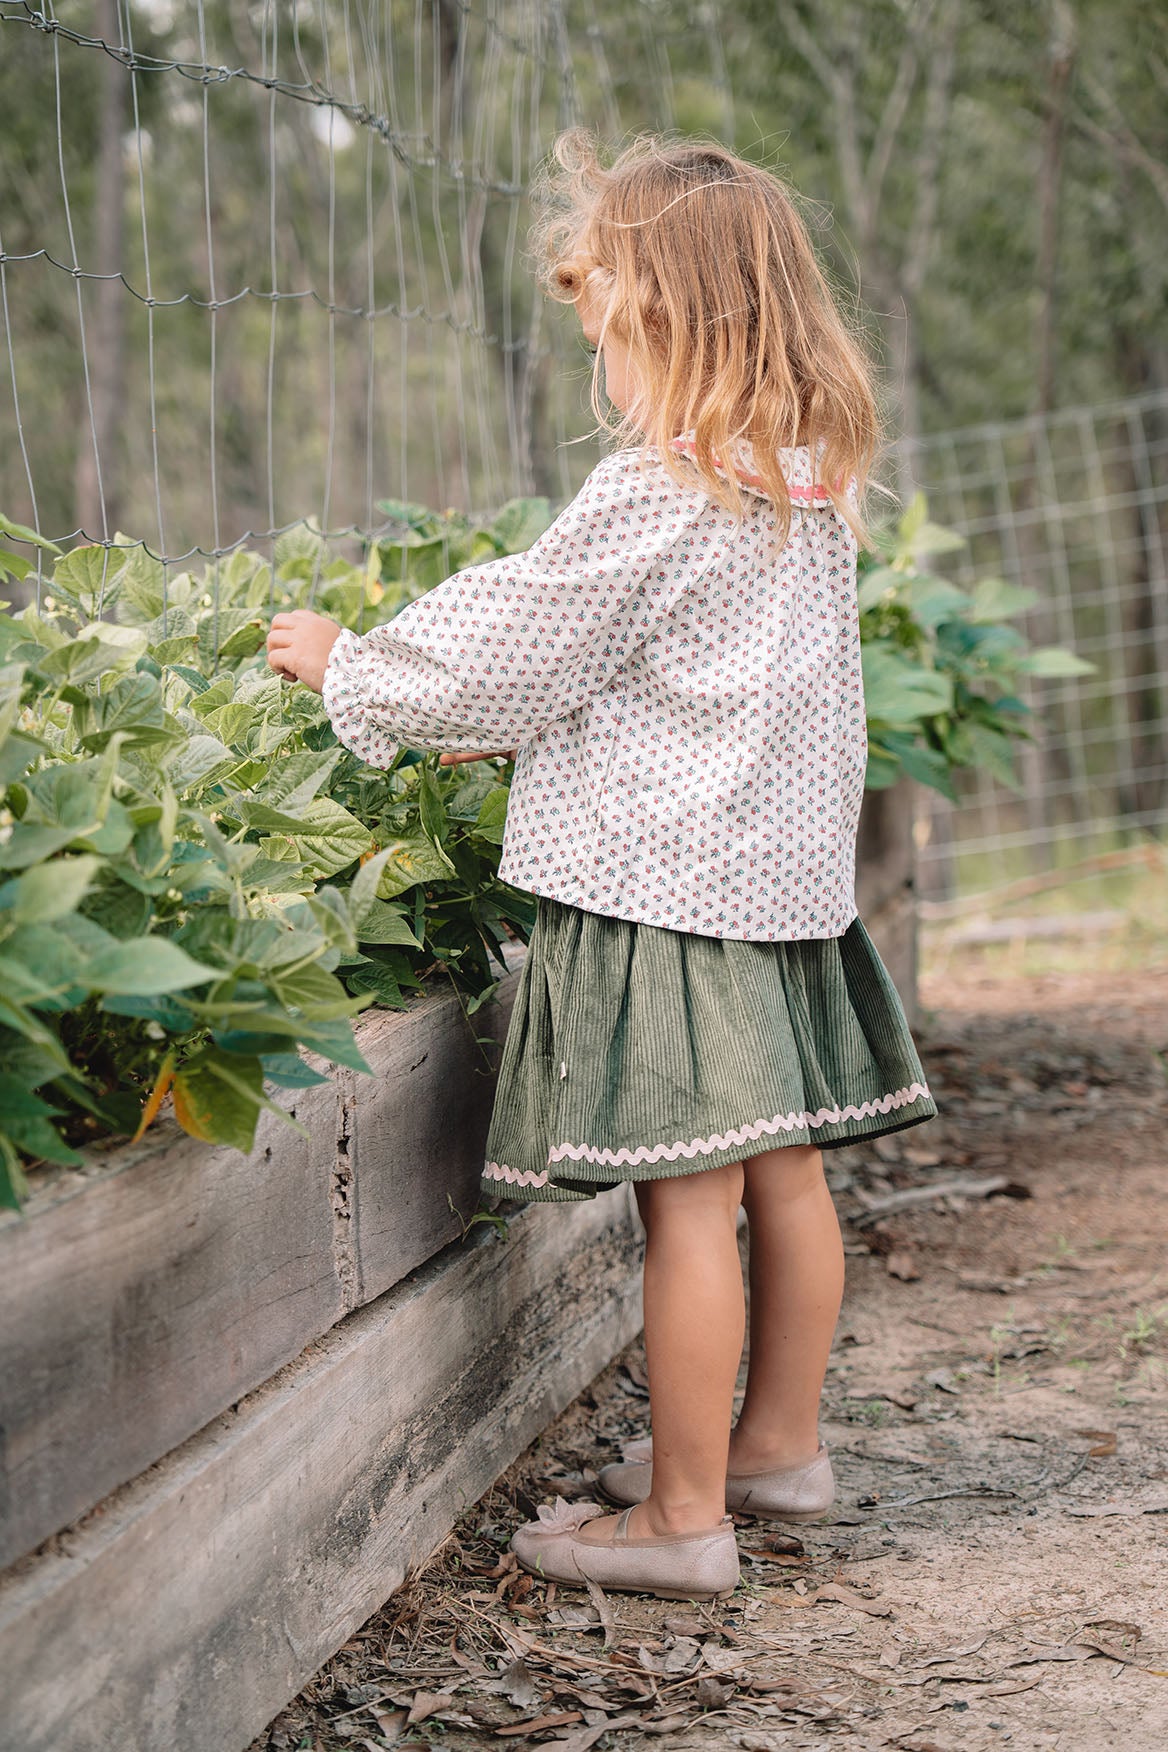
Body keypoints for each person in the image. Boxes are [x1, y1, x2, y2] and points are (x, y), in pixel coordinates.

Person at [266, 131, 936, 1604]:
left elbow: (522, 633)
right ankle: (778, 1447)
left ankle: (683, 1520)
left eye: (610, 339)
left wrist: (353, 663)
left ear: (672, 325)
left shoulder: (658, 493)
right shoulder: (806, 484)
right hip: (779, 889)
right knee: (785, 1178)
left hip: (671, 898)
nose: (605, 373)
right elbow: (685, 676)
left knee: (684, 1206)